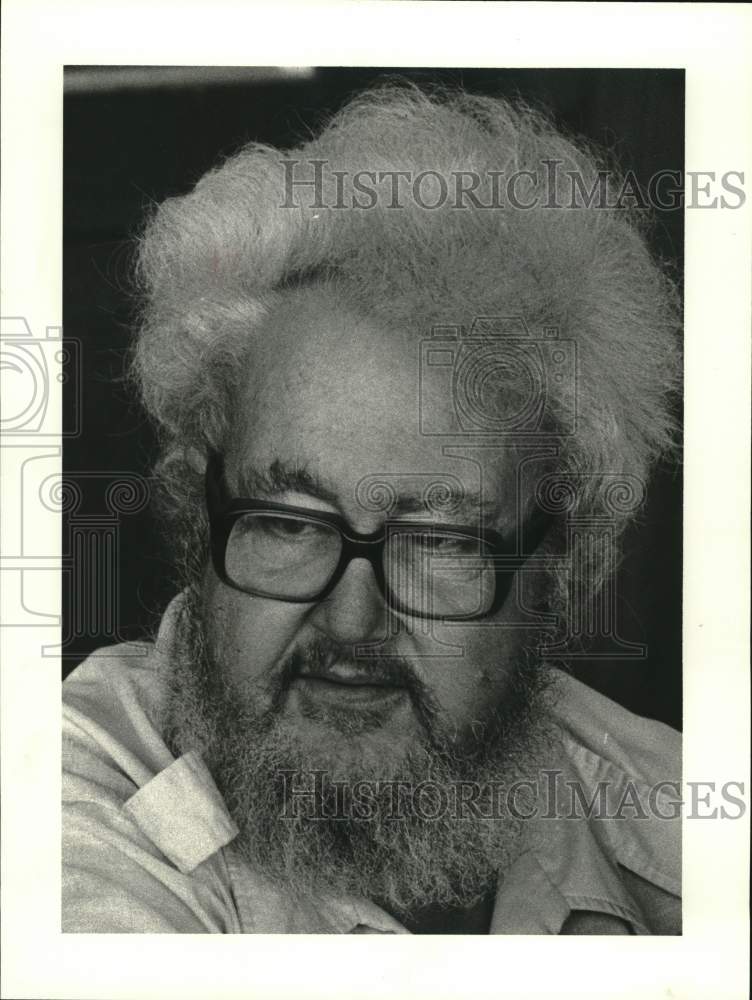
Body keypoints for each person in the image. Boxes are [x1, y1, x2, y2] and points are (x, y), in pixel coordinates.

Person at [63, 83, 682, 934]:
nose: (351, 620)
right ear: (197, 516)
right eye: (289, 522)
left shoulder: (678, 817)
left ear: (562, 571)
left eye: (440, 540)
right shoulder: (62, 814)